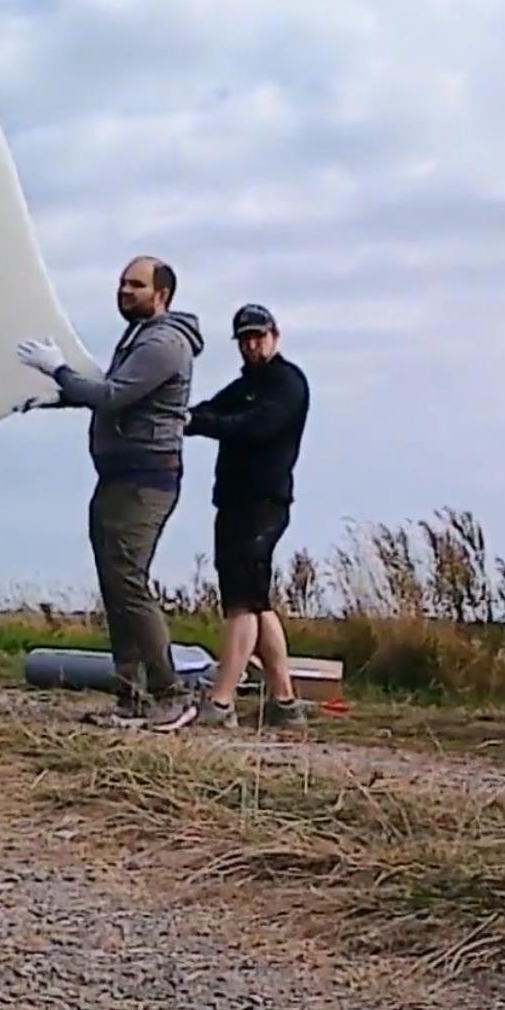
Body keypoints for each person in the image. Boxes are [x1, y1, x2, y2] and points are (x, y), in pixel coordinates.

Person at [16, 255, 205, 731]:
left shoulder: (164, 342)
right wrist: (62, 396)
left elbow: (113, 394)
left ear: (161, 294)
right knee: (114, 584)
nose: (124, 291)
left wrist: (59, 372)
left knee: (128, 582)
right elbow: (107, 390)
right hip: (120, 476)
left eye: (136, 285)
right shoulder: (139, 337)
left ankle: (169, 694)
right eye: (121, 282)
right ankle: (132, 695)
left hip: (144, 479)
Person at [184, 303, 310, 730]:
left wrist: (204, 423)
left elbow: (256, 426)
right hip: (236, 503)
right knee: (256, 601)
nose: (252, 345)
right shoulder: (244, 385)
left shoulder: (286, 384)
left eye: (259, 336)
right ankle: (284, 701)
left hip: (263, 504)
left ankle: (220, 702)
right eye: (245, 339)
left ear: (275, 335)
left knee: (240, 603)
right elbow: (211, 410)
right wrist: (181, 417)